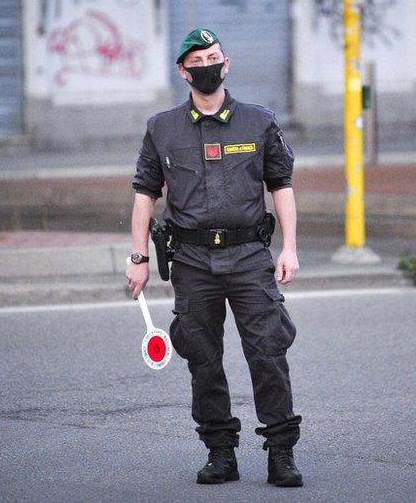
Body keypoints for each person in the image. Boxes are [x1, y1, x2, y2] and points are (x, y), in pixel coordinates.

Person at [126, 27, 304, 488]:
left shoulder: (259, 121)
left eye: (214, 57)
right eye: (197, 60)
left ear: (226, 65)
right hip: (191, 260)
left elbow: (280, 186)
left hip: (249, 256)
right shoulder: (161, 129)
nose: (207, 65)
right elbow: (145, 193)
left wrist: (289, 247)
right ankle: (220, 452)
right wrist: (138, 257)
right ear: (183, 71)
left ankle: (280, 453)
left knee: (268, 352)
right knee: (203, 358)